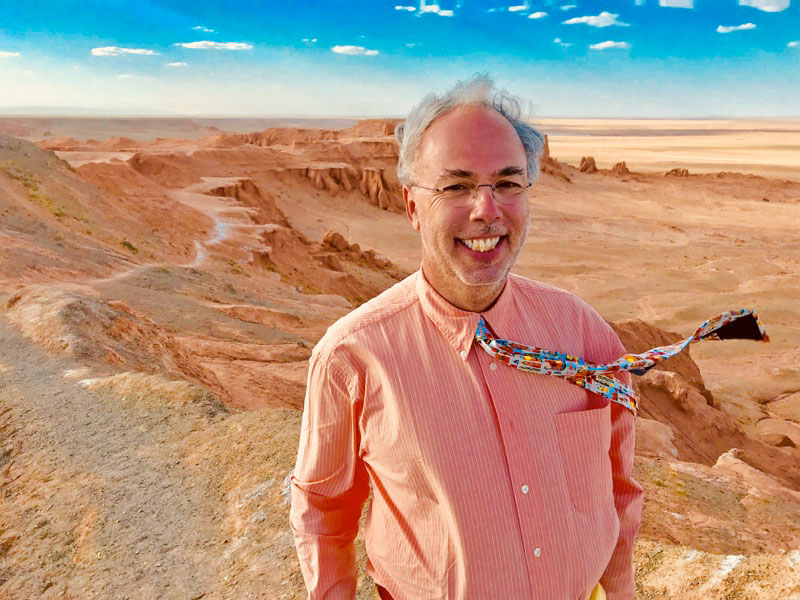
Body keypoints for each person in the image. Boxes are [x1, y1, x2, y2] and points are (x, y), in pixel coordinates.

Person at [290, 74, 643, 600]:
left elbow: (616, 487)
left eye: (506, 183)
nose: (486, 210)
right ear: (412, 206)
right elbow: (322, 511)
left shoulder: (583, 333)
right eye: (456, 186)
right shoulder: (352, 357)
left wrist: (621, 591)